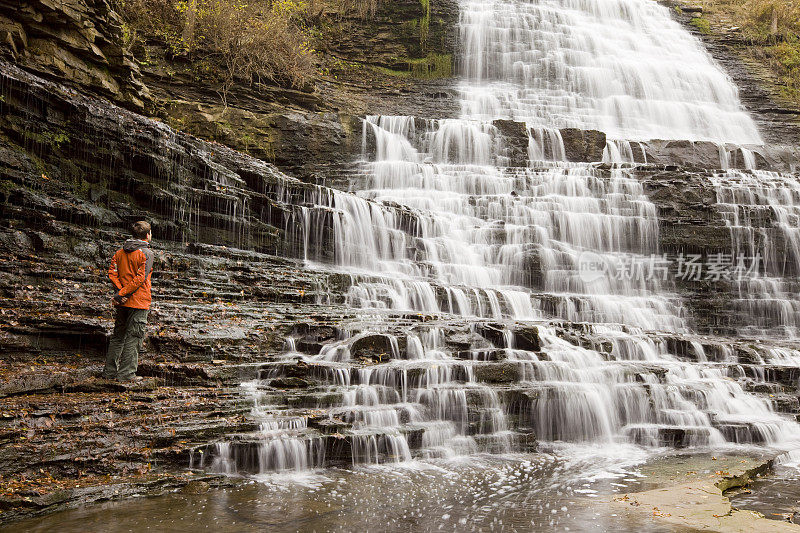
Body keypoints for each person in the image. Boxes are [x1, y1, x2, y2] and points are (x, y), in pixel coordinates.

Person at [102, 221, 154, 381]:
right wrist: (123, 293)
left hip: (122, 302)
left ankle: (109, 373)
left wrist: (119, 293)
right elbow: (140, 278)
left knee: (118, 336)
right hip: (139, 302)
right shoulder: (147, 253)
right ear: (147, 235)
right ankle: (127, 374)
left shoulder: (119, 252)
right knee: (134, 337)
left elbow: (112, 273)